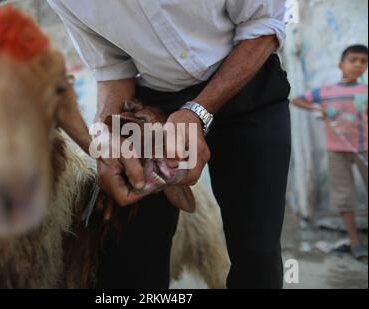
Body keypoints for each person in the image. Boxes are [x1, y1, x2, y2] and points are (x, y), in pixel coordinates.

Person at [49, 0, 291, 288]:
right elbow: (113, 68)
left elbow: (262, 26)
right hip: (152, 108)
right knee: (128, 256)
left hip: (248, 86)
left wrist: (197, 111)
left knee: (257, 256)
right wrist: (105, 136)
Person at [292, 45, 368, 263]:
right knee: (344, 196)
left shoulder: (365, 91)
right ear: (341, 64)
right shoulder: (326, 92)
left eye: (363, 61)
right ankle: (355, 242)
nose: (358, 65)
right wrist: (318, 109)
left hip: (365, 148)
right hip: (336, 151)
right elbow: (296, 100)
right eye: (353, 60)